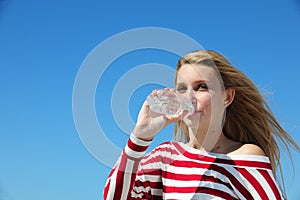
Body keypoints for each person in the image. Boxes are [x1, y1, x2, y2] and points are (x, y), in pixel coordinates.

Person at [103, 50, 299, 199]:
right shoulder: (166, 156)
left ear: (227, 96)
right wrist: (140, 136)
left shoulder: (245, 157)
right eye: (182, 89)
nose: (189, 97)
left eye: (201, 87)